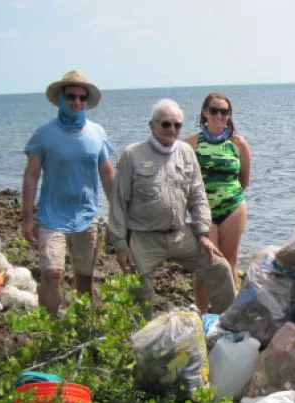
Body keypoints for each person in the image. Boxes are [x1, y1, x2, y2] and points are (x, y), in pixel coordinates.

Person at [108, 99, 236, 317]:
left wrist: (203, 233)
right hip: (143, 237)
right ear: (152, 126)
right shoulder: (131, 155)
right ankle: (143, 339)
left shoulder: (186, 152)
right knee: (140, 290)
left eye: (177, 125)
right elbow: (118, 202)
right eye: (166, 124)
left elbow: (198, 196)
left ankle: (230, 327)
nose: (172, 130)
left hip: (180, 235)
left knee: (220, 268)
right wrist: (120, 245)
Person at [21, 70, 115, 318]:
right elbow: (31, 176)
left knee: (85, 277)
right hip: (51, 217)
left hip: (86, 216)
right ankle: (50, 326)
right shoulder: (44, 134)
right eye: (71, 96)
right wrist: (27, 219)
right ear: (62, 99)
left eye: (82, 98)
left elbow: (107, 175)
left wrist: (119, 215)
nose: (76, 102)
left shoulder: (97, 133)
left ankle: (83, 326)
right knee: (52, 273)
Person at [184, 92, 252, 312]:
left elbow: (244, 180)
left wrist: (226, 195)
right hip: (204, 211)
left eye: (224, 111)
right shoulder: (191, 143)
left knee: (230, 262)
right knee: (207, 264)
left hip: (233, 207)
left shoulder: (238, 143)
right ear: (205, 113)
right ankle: (202, 314)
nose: (219, 115)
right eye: (214, 110)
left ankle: (229, 315)